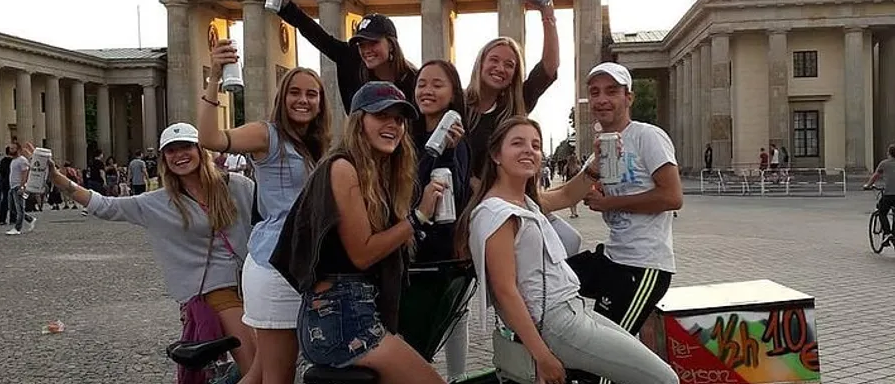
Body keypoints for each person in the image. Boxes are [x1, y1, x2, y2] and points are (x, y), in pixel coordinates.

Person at [461, 116, 678, 384]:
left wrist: (596, 166)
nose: (529, 150)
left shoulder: (525, 202)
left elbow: (565, 196)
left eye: (535, 145)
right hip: (557, 323)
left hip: (575, 310)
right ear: (496, 155)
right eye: (517, 143)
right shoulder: (496, 213)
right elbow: (505, 292)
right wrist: (542, 356)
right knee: (664, 379)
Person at [37, 124, 260, 381]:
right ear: (164, 158)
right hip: (216, 290)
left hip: (252, 283)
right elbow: (104, 206)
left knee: (270, 358)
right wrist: (59, 179)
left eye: (186, 147)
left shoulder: (238, 186)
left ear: (200, 149)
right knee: (255, 366)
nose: (180, 155)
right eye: (171, 150)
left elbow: (270, 217)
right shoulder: (158, 202)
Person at [270, 82, 447, 384]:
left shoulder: (375, 173)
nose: (393, 124)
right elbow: (363, 253)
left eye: (399, 119)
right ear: (358, 121)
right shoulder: (342, 167)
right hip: (341, 318)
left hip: (352, 311)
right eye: (382, 116)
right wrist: (418, 217)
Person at [199, 51, 332, 384]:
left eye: (311, 94)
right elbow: (210, 139)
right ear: (282, 97)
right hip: (274, 265)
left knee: (261, 372)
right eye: (295, 92)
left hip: (296, 263)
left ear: (320, 102)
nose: (303, 100)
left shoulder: (316, 143)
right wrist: (214, 77)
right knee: (278, 375)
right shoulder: (267, 134)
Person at [575, 63, 683, 349]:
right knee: (552, 280)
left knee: (606, 353)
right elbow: (567, 193)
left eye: (612, 91)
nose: (602, 99)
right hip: (612, 257)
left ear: (628, 98)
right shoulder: (599, 149)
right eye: (595, 92)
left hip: (644, 265)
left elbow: (672, 197)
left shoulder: (648, 136)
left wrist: (609, 202)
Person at [409, 60, 471, 380]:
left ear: (452, 94)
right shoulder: (405, 133)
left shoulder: (459, 141)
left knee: (454, 317)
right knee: (417, 326)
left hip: (445, 245)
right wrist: (434, 151)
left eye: (437, 84)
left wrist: (447, 151)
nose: (427, 90)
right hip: (412, 242)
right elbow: (410, 187)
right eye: (422, 84)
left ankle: (457, 377)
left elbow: (456, 193)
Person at [465, 0, 560, 181]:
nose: (500, 68)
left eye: (509, 65)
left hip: (498, 201)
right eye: (494, 60)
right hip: (459, 202)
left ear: (514, 75)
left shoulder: (516, 105)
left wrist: (547, 14)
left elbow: (549, 66)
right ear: (481, 63)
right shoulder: (458, 102)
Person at [276, 0, 418, 112]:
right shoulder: (351, 59)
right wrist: (285, 6)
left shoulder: (414, 80)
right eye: (361, 44)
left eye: (373, 42)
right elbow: (316, 35)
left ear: (392, 44)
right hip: (359, 143)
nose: (366, 50)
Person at [864, 144, 895, 244]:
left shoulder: (884, 164)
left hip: (889, 194)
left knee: (882, 212)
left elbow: (875, 176)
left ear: (889, 153)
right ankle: (893, 234)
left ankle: (887, 233)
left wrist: (868, 185)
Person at [5, 142, 37, 235]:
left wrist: (22, 186)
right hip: (12, 187)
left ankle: (17, 228)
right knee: (12, 209)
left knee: (19, 208)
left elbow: (25, 173)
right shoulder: (13, 161)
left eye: (12, 149)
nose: (10, 150)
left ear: (18, 149)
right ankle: (30, 219)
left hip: (18, 186)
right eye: (10, 148)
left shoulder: (22, 160)